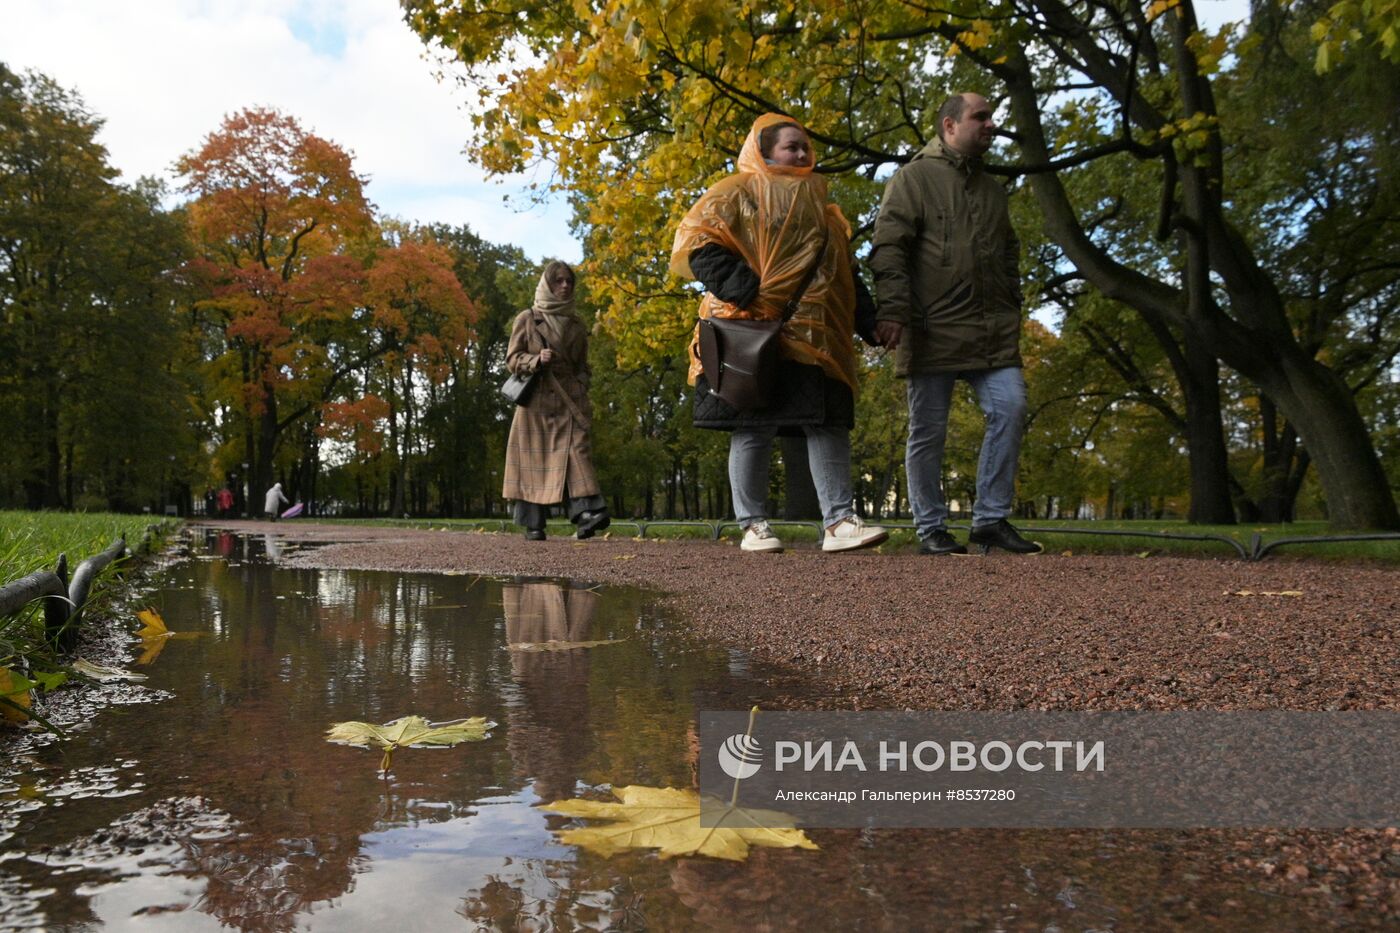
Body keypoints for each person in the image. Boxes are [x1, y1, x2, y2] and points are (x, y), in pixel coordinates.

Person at [670, 113, 887, 554]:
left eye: (806, 145)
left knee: (825, 422)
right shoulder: (737, 194)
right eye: (792, 146)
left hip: (817, 336)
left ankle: (839, 522)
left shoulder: (825, 212)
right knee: (752, 426)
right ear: (763, 151)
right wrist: (744, 290)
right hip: (751, 327)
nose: (803, 152)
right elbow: (698, 243)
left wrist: (869, 322)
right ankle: (753, 526)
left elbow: (844, 274)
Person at [869, 92, 1040, 555]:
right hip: (932, 326)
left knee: (1010, 408)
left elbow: (1009, 251)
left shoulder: (992, 188)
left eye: (993, 117)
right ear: (949, 125)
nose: (991, 125)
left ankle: (989, 519)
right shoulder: (914, 178)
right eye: (980, 117)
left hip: (992, 330)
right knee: (928, 431)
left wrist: (1014, 301)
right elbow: (889, 248)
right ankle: (931, 529)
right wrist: (892, 312)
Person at [502, 261, 610, 541]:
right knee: (533, 461)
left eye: (569, 282)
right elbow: (512, 360)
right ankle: (533, 524)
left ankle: (587, 513)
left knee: (576, 451)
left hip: (569, 401)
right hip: (535, 402)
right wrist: (535, 360)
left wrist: (582, 384)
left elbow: (583, 366)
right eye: (558, 281)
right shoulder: (527, 318)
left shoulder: (577, 324)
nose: (565, 286)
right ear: (547, 285)